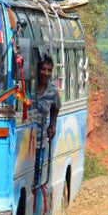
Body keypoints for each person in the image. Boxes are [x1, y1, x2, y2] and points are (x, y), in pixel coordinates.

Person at [33, 55, 61, 186]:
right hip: (24, 142)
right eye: (43, 69)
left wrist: (53, 125)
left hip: (39, 141)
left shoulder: (53, 91)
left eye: (49, 70)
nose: (46, 73)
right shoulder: (27, 88)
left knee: (37, 178)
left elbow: (55, 108)